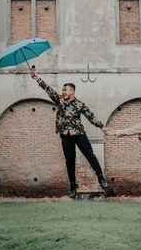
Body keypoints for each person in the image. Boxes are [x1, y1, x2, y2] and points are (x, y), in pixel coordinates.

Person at [31, 68, 108, 198]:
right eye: (62, 90)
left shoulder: (79, 104)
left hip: (78, 133)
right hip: (65, 135)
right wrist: (37, 78)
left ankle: (101, 176)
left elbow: (91, 116)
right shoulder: (59, 100)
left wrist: (102, 127)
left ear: (72, 91)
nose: (63, 92)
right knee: (69, 160)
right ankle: (73, 185)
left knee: (89, 154)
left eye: (65, 90)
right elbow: (48, 89)